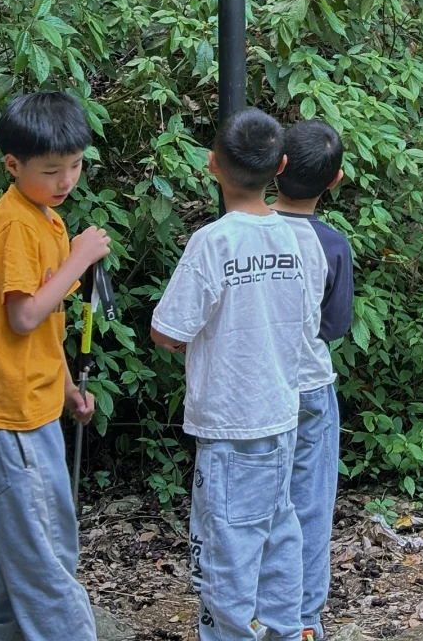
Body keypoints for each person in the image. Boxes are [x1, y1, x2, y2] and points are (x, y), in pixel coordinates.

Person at [151, 108, 321, 641]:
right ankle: (286, 631)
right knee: (279, 533)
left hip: (228, 423)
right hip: (281, 412)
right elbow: (308, 322)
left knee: (226, 543)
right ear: (282, 166)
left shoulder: (213, 242)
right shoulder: (301, 238)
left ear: (211, 166)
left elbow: (168, 331)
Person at [0, 90, 111, 641]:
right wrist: (81, 259)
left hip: (37, 403)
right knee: (45, 549)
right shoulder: (15, 223)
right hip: (11, 412)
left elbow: (48, 326)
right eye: (52, 170)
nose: (67, 181)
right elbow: (23, 314)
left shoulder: (47, 218)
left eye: (76, 166)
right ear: (12, 166)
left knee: (32, 537)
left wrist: (66, 390)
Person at [271, 120, 354, 641]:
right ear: (335, 180)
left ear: (275, 167)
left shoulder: (247, 230)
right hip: (310, 386)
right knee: (310, 505)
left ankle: (257, 610)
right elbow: (335, 325)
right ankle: (303, 621)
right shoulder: (331, 244)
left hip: (256, 387)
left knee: (261, 504)